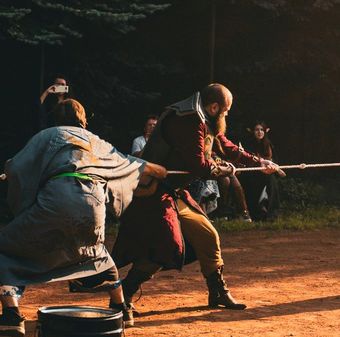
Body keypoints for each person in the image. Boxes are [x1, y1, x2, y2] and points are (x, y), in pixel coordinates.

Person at [0, 97, 158, 333]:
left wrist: (10, 175)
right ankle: (121, 309)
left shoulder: (47, 135)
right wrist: (154, 169)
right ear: (83, 122)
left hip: (58, 200)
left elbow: (17, 167)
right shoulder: (96, 141)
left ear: (56, 120)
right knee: (95, 251)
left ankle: (11, 316)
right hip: (94, 206)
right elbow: (127, 163)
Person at [113, 84, 281, 314]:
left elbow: (225, 145)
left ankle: (217, 292)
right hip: (154, 191)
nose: (227, 115)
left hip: (174, 191)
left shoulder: (204, 118)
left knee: (207, 234)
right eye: (225, 111)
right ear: (214, 107)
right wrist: (225, 170)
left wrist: (258, 162)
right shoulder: (189, 120)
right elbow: (199, 166)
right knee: (165, 245)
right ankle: (125, 295)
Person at [243, 121, 279, 220]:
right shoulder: (249, 145)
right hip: (252, 174)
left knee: (270, 178)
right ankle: (258, 210)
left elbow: (275, 161)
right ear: (253, 132)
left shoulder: (268, 145)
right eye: (257, 130)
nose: (259, 132)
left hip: (267, 173)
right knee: (266, 177)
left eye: (262, 130)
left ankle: (271, 213)